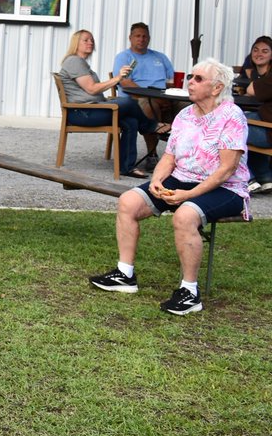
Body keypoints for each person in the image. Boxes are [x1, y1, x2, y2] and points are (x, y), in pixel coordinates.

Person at [89, 57, 251, 315]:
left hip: (227, 187)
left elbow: (226, 169)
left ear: (217, 87)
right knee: (128, 202)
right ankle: (125, 275)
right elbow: (169, 156)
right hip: (182, 178)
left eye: (198, 79)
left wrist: (190, 194)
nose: (190, 82)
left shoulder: (232, 116)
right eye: (190, 77)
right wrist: (156, 180)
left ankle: (190, 292)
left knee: (186, 215)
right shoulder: (185, 114)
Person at [58, 29, 154, 178]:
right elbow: (91, 89)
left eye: (92, 40)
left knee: (131, 121)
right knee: (128, 102)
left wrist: (117, 80)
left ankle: (126, 167)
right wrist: (117, 78)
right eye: (86, 40)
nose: (90, 42)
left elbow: (93, 91)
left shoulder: (81, 63)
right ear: (76, 43)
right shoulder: (74, 61)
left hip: (91, 109)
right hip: (82, 113)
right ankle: (151, 127)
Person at [112, 21, 176, 168]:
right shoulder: (124, 57)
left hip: (165, 97)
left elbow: (172, 80)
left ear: (149, 38)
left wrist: (168, 96)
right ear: (130, 38)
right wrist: (154, 97)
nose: (141, 39)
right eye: (138, 36)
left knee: (188, 107)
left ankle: (182, 156)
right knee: (150, 106)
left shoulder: (160, 57)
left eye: (144, 36)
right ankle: (152, 155)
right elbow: (124, 82)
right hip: (137, 99)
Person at [241, 36, 272, 193]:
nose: (259, 53)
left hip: (269, 131)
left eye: (265, 51)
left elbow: (251, 90)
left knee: (229, 128)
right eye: (255, 50)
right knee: (242, 120)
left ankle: (248, 178)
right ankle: (266, 178)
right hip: (265, 122)